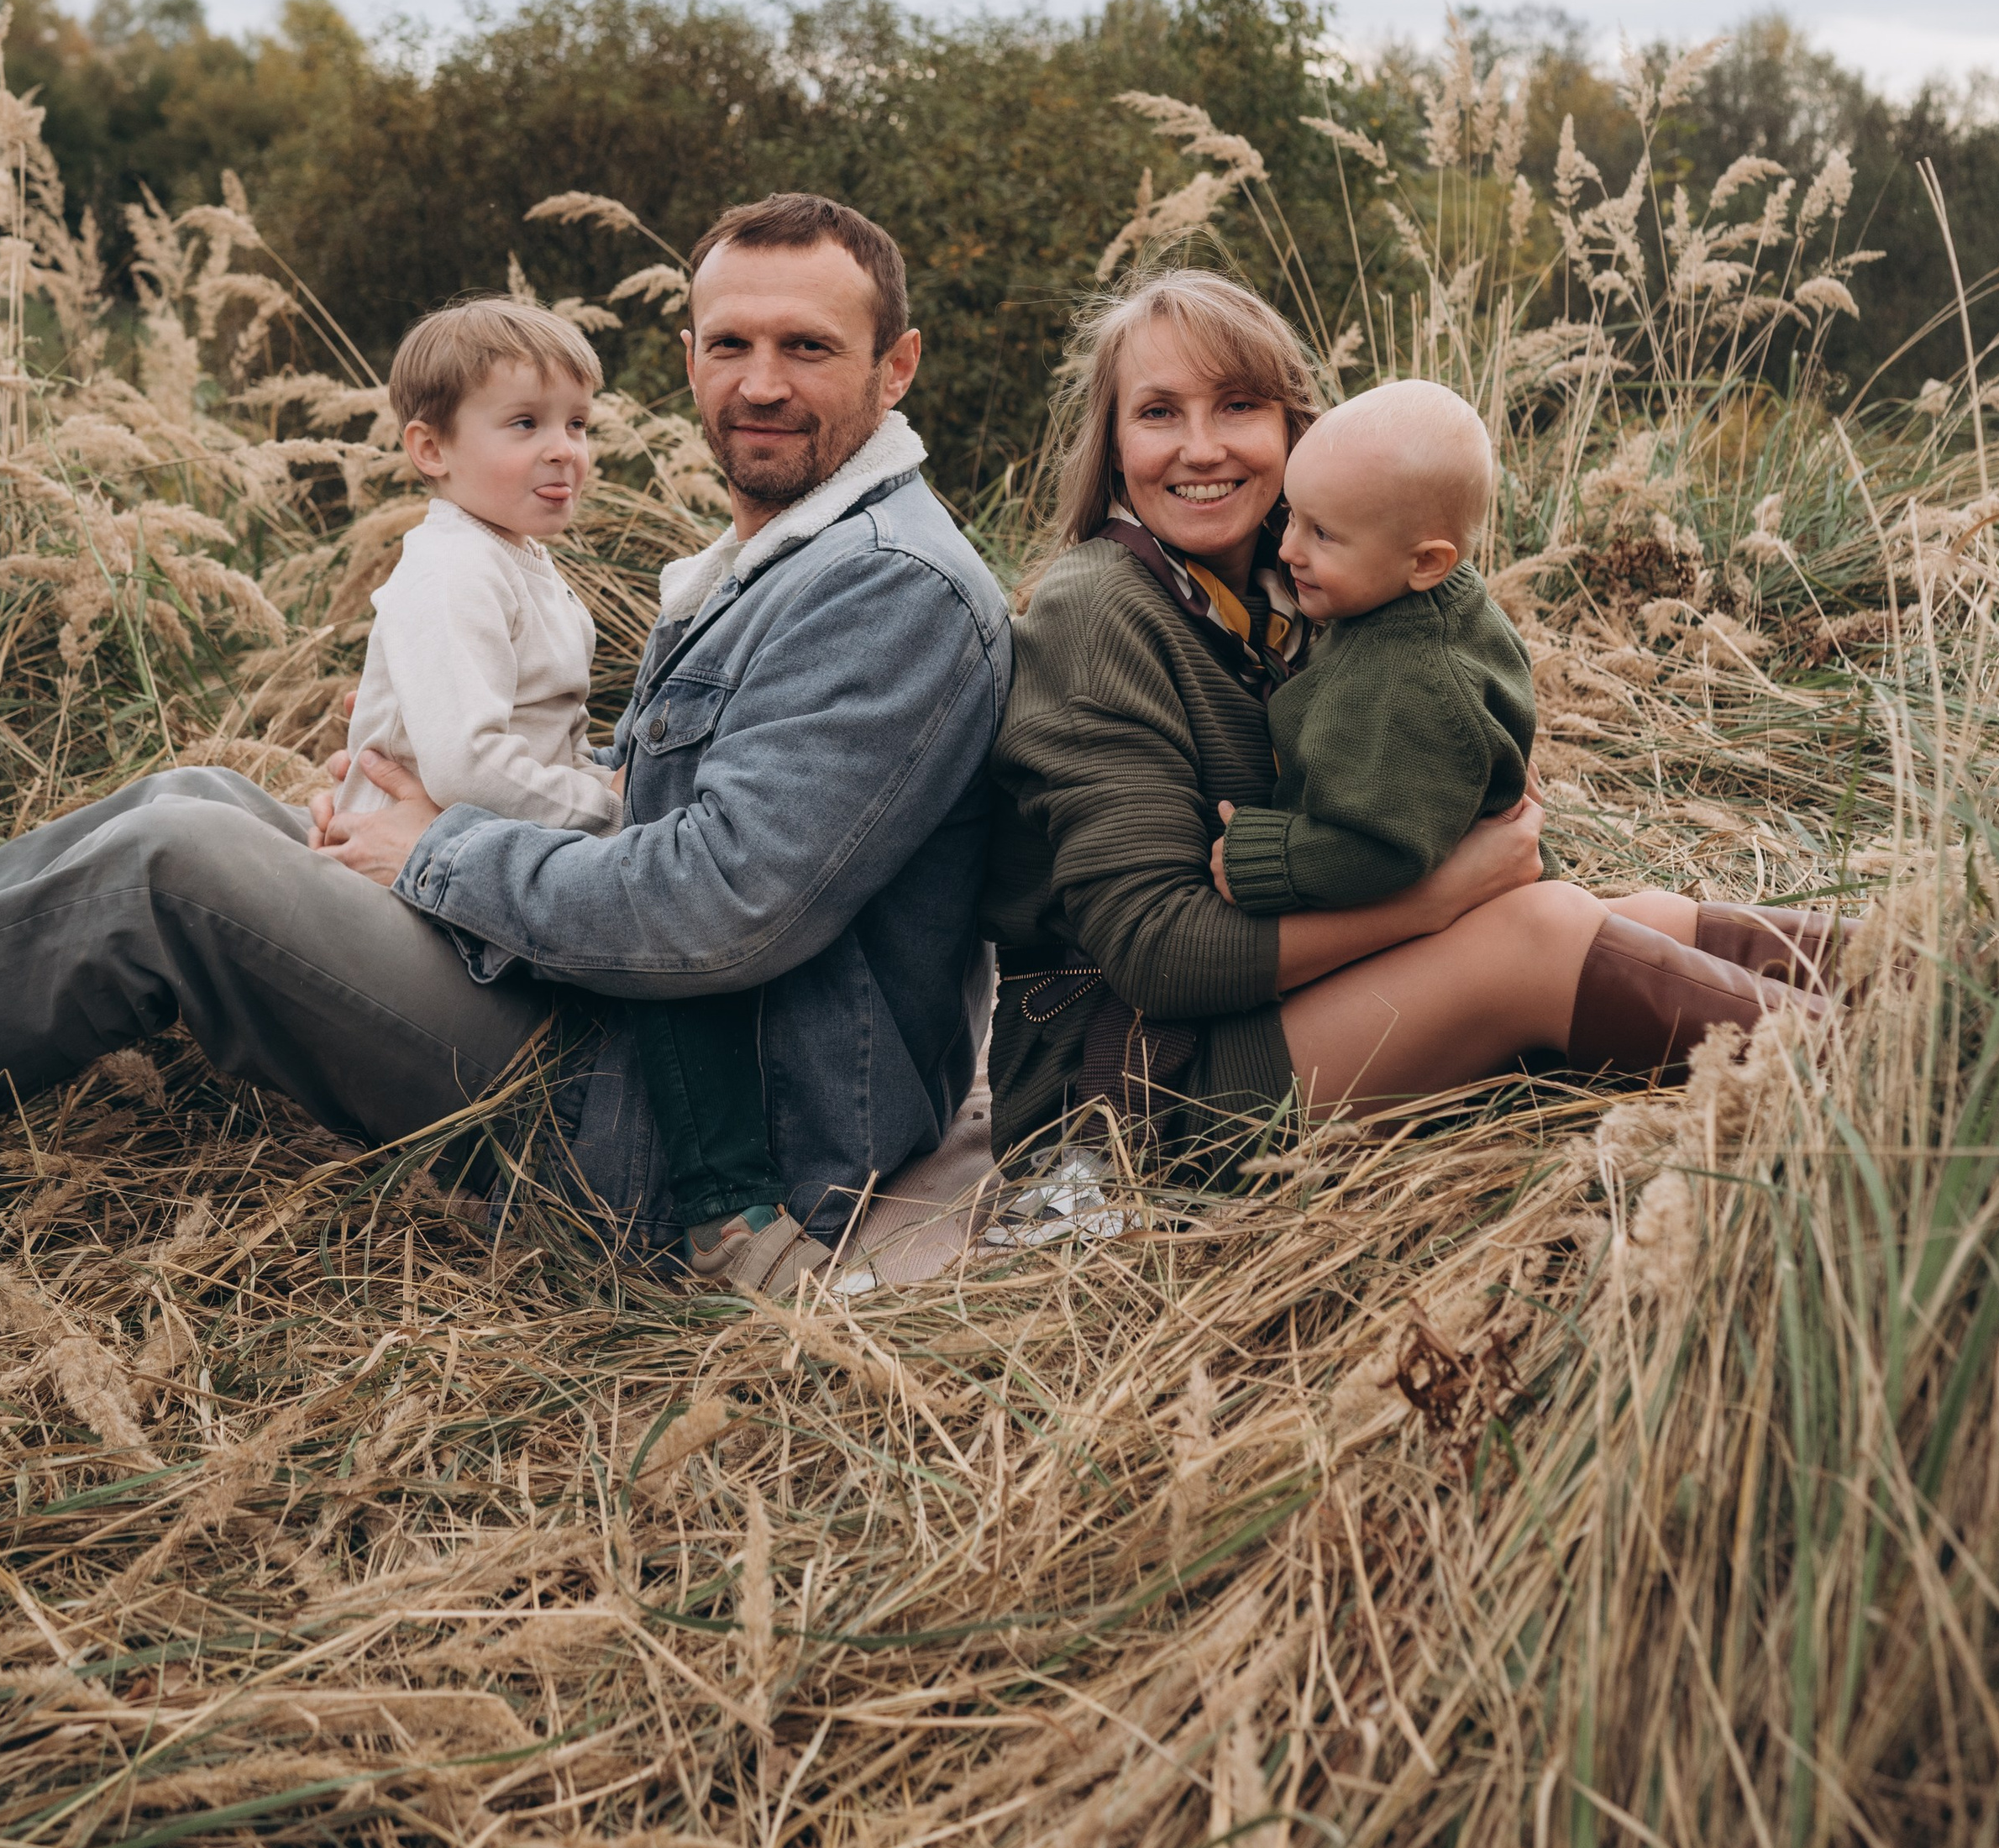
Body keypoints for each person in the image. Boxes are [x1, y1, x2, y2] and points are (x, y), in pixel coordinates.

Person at [0, 195, 1008, 1291]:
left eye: (809, 347)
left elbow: (719, 906)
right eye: (732, 343)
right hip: (613, 1007)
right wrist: (420, 816)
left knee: (168, 868)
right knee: (196, 788)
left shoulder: (887, 585)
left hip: (683, 1119)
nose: (761, 381)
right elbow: (660, 805)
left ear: (897, 364)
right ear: (690, 359)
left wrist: (435, 848)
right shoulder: (782, 554)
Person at [983, 272, 1826, 1210]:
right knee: (1538, 937)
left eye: (1238, 404)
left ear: (1294, 427)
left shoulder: (1322, 583)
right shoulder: (1097, 609)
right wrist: (1443, 897)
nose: (1202, 445)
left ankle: (1947, 993)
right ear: (1113, 442)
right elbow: (1156, 952)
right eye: (1157, 412)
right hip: (1131, 1081)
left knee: (1632, 915)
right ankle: (1875, 1087)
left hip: (1266, 1011)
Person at [327, 291, 850, 1297]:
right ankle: (723, 1212)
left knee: (662, 912)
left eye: (578, 423)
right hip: (437, 873)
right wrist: (618, 810)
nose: (564, 450)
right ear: (430, 449)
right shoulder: (451, 570)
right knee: (653, 934)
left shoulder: (520, 558)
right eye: (524, 426)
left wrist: (605, 782)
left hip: (482, 847)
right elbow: (470, 763)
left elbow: (524, 740)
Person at [1210, 377, 1807, 979]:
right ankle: (1866, 961)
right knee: (1627, 925)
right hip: (1503, 908)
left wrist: (1267, 857)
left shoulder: (1411, 678)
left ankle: (1835, 1011)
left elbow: (1385, 850)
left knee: (1608, 952)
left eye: (1323, 534)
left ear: (1425, 562)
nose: (1287, 549)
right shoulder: (1408, 605)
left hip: (1469, 940)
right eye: (1293, 518)